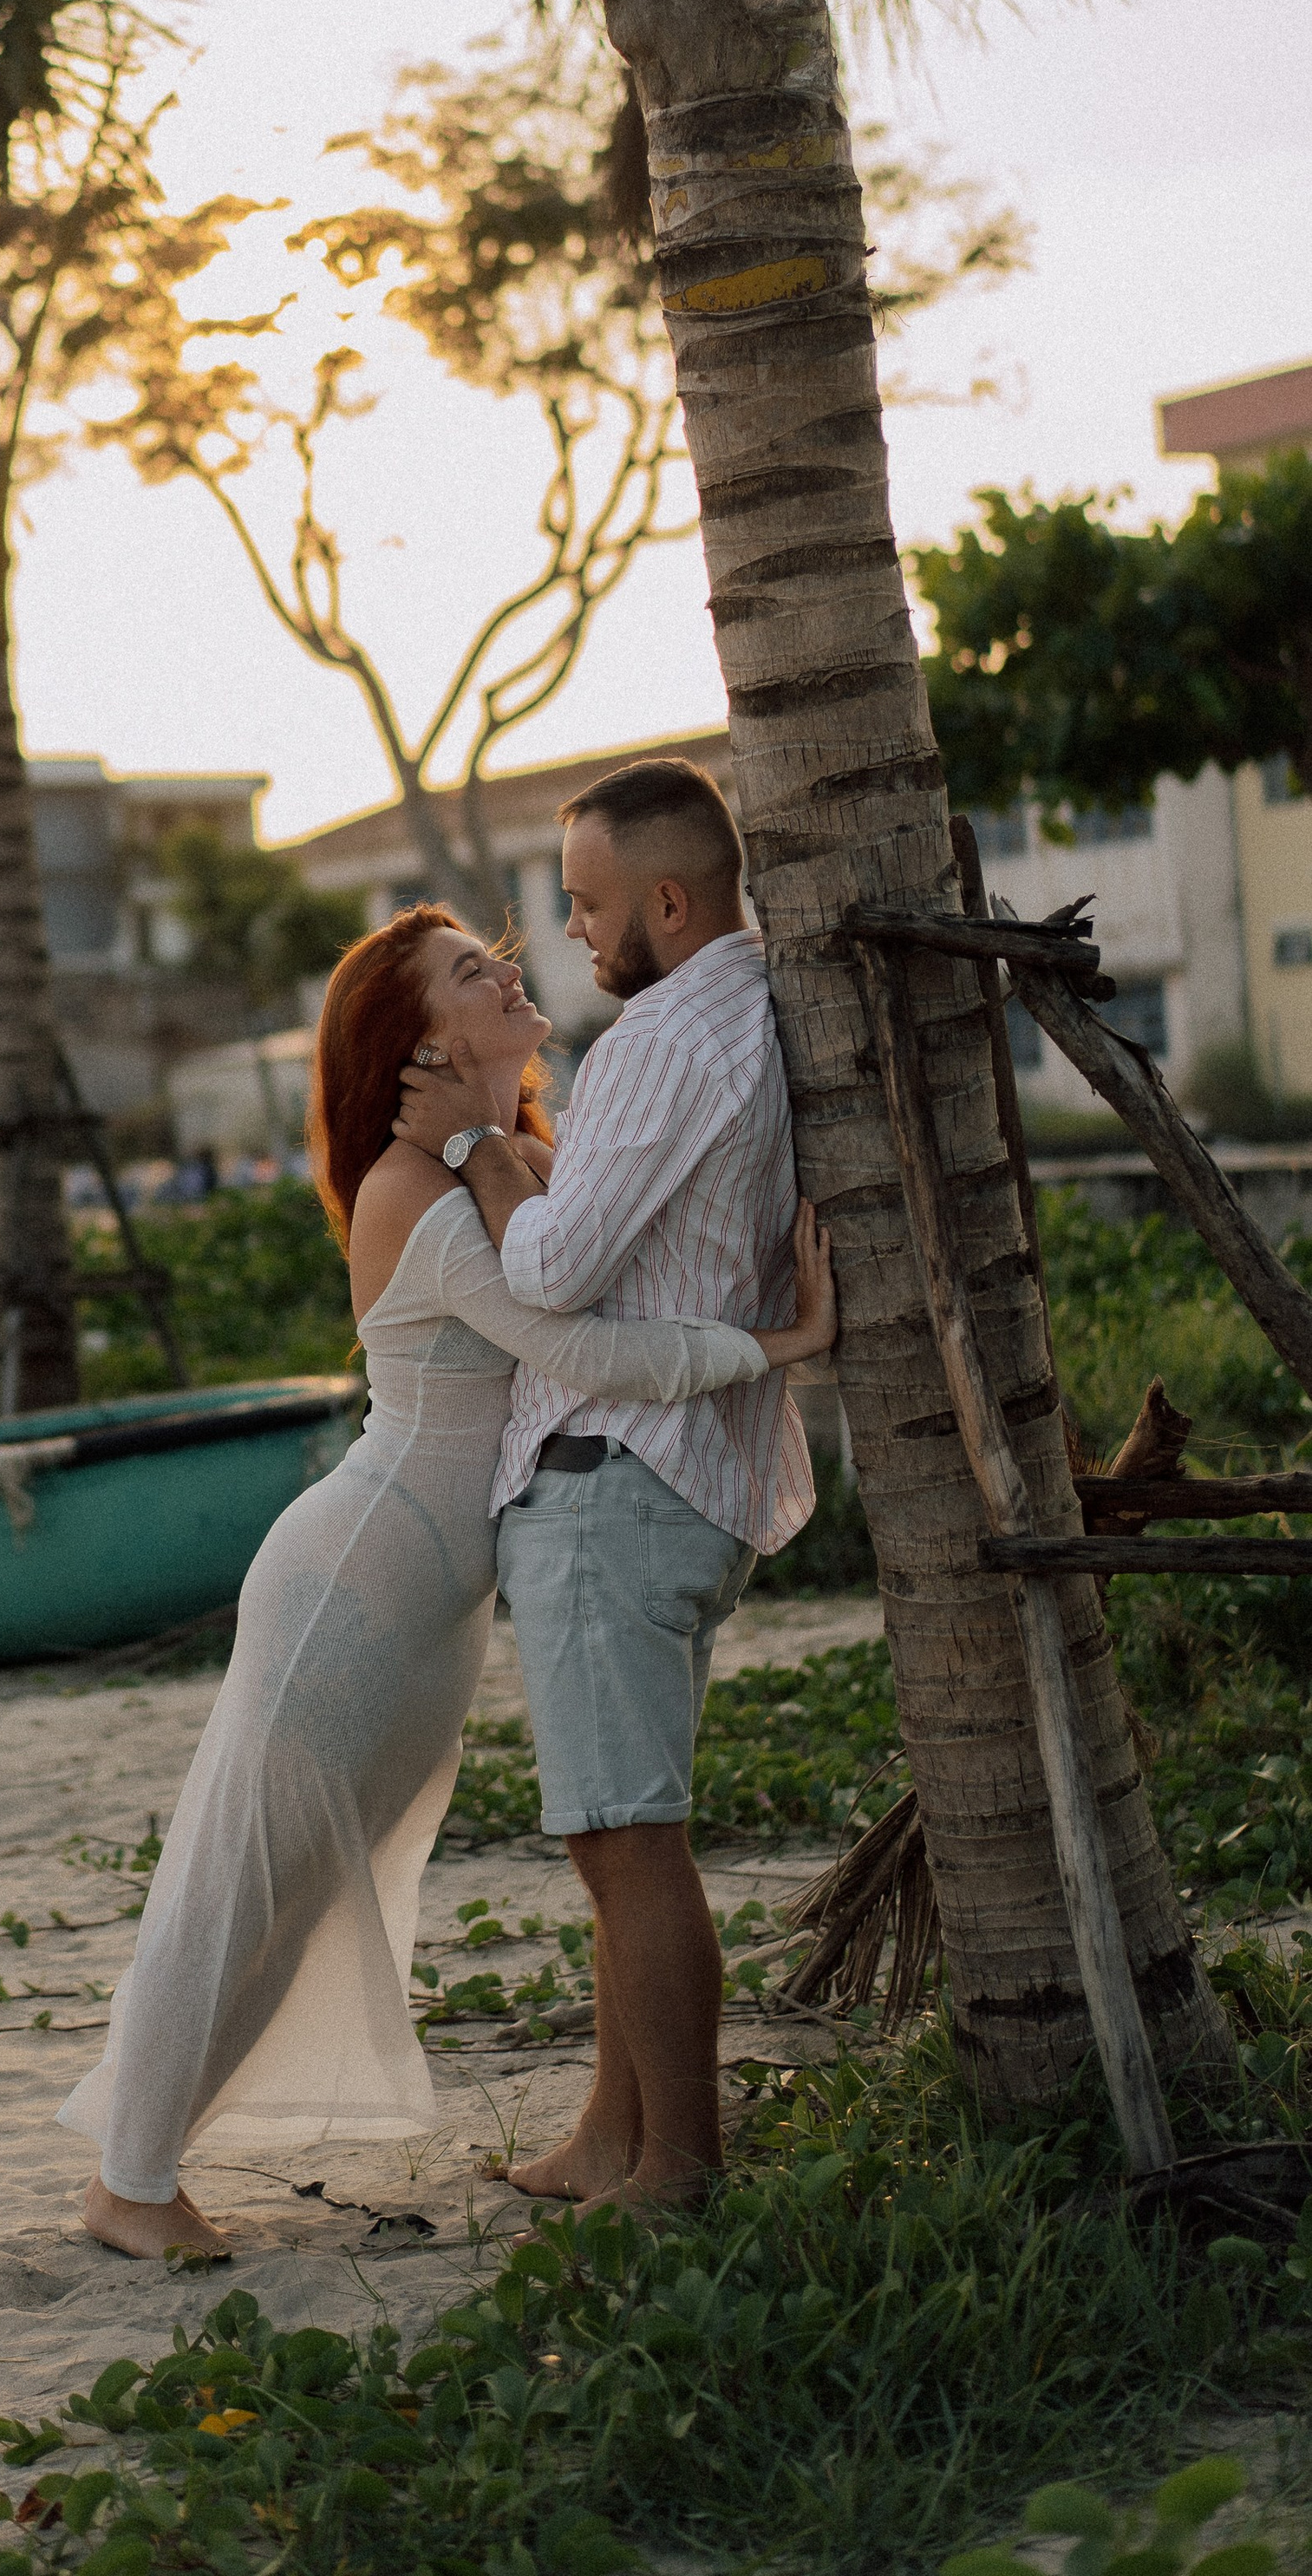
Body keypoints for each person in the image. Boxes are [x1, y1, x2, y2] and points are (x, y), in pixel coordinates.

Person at [56, 898, 834, 2257]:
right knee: (242, 1875)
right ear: (422, 1041)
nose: (511, 971)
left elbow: (606, 1277)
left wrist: (493, 1142)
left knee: (308, 1884)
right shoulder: (409, 1190)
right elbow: (579, 1350)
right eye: (473, 972)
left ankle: (146, 2160)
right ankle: (130, 2180)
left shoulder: (510, 1157)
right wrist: (781, 1344)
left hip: (433, 1600)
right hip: (354, 1573)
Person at [392, 756, 810, 2219]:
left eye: (586, 902)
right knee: (616, 1839)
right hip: (677, 1480)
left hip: (613, 1482)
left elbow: (558, 1267)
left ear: (669, 903)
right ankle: (607, 2132)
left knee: (627, 1845)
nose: (569, 930)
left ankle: (680, 2166)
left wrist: (480, 1152)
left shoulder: (658, 1041)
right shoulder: (748, 1008)